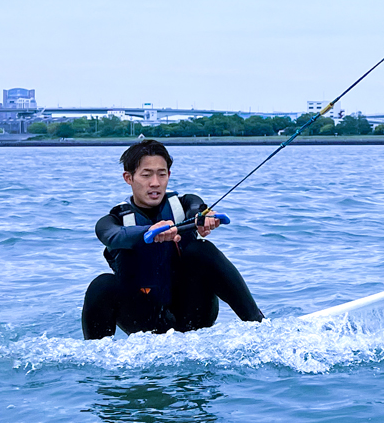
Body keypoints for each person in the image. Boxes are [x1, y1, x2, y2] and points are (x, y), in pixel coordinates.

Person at [81, 139, 264, 339]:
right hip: (145, 321)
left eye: (162, 174)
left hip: (193, 313)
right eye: (146, 175)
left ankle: (259, 324)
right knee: (102, 285)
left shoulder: (185, 204)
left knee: (200, 250)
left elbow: (198, 208)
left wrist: (205, 217)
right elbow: (111, 235)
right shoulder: (112, 221)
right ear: (128, 178)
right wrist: (148, 232)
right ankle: (94, 358)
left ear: (169, 175)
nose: (155, 183)